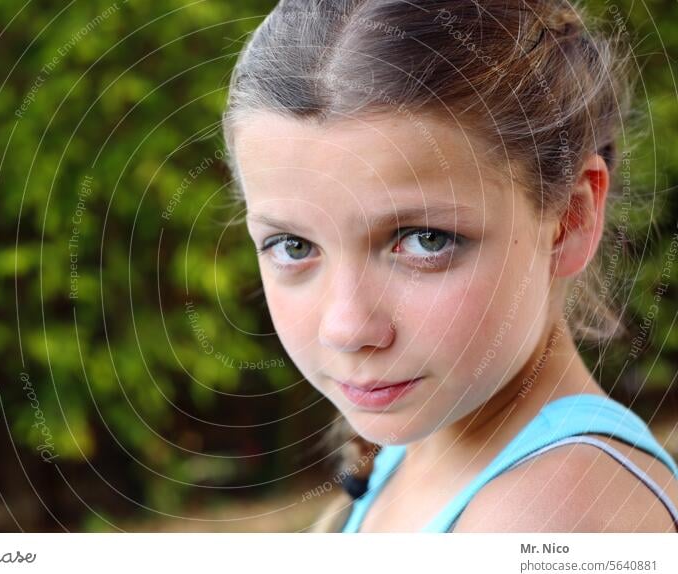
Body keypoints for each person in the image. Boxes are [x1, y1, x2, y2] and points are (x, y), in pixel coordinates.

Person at [219, 0, 678, 532]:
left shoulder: (550, 515)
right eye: (294, 246)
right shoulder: (418, 453)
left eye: (425, 240)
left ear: (569, 220)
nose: (346, 329)